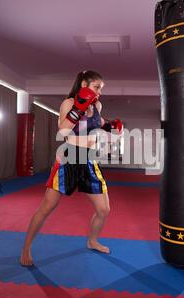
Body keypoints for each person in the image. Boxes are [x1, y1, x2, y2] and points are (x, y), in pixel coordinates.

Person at [20, 70, 123, 267]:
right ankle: (26, 248)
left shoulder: (98, 105)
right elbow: (63, 130)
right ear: (84, 84)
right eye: (97, 87)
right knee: (47, 207)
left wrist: (112, 127)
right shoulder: (68, 103)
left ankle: (92, 241)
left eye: (101, 89)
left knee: (104, 209)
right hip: (68, 159)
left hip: (89, 161)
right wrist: (79, 107)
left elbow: (100, 124)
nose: (99, 92)